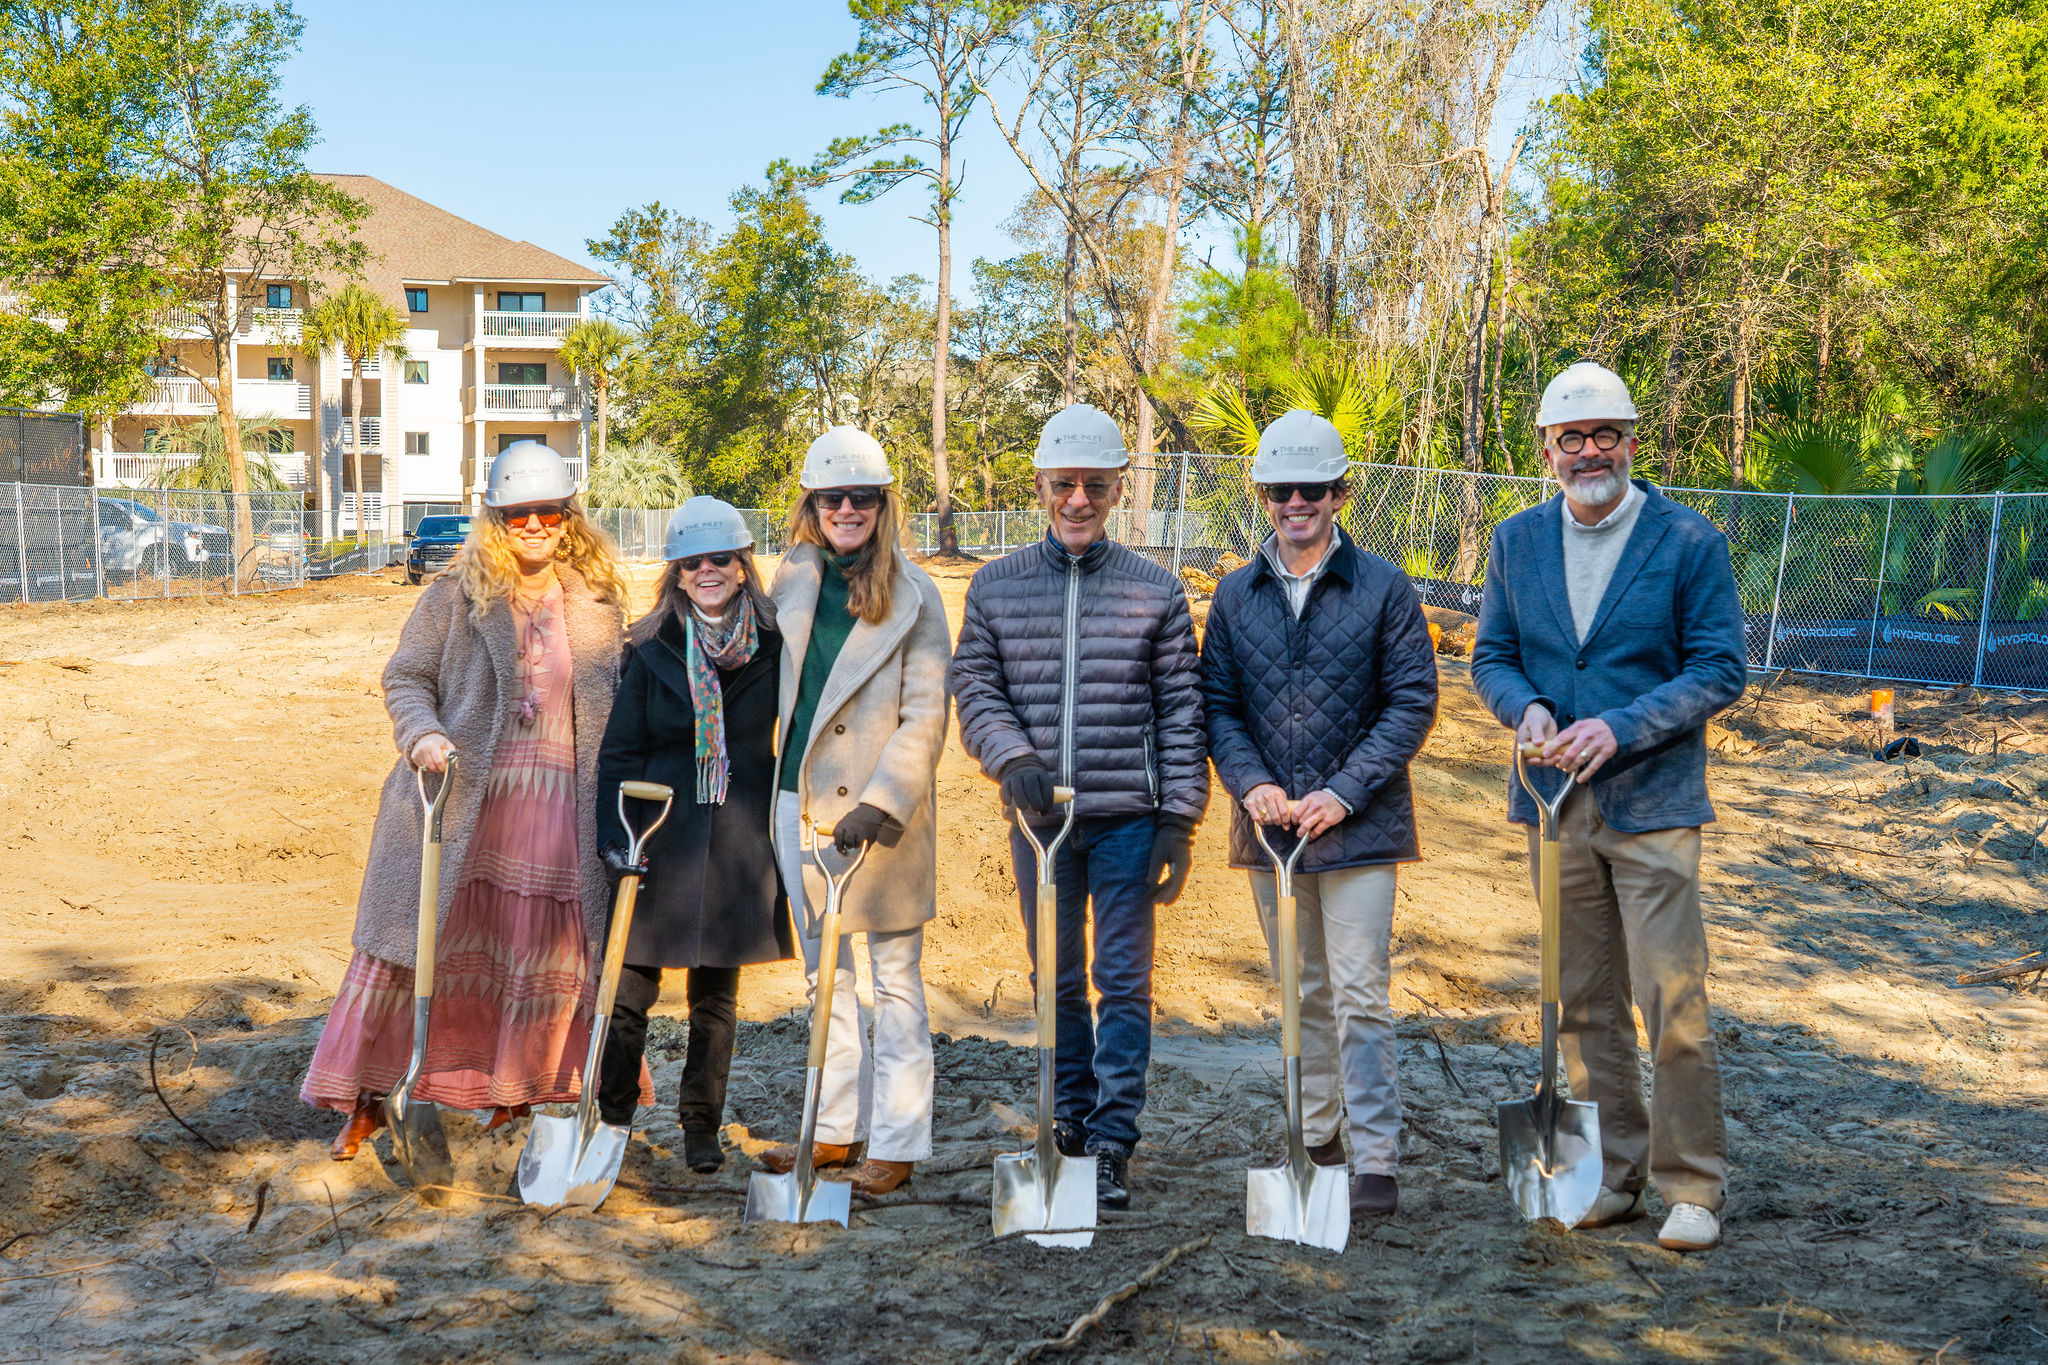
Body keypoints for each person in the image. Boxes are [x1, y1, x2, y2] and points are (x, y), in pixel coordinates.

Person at [1469, 361, 1748, 1252]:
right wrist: (1529, 709)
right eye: (1570, 438)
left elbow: (1718, 668)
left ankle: (1691, 1185)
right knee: (1582, 1000)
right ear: (1547, 450)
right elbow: (1492, 656)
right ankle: (1613, 1176)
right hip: (1553, 802)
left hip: (1652, 800)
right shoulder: (1515, 542)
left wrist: (1619, 728)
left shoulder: (1687, 541)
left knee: (1673, 998)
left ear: (1632, 441)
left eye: (1605, 435)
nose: (1589, 451)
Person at [303, 441, 649, 1156]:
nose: (534, 525)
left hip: (561, 809)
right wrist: (422, 735)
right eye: (518, 512)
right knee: (414, 949)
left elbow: (623, 697)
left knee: (537, 950)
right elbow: (406, 677)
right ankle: (372, 1096)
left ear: (567, 515)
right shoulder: (454, 596)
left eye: (547, 511)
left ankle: (517, 1093)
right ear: (495, 517)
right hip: (461, 802)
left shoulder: (596, 600)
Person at [949, 402, 1207, 1212]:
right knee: (1055, 975)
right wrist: (1011, 756)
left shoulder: (1156, 591)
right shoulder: (995, 587)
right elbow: (976, 687)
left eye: (1095, 485)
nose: (1078, 500)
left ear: (1116, 489)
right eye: (1064, 484)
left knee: (1123, 979)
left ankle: (1114, 1137)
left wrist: (1179, 818)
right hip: (1041, 825)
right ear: (1040, 485)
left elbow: (1180, 710)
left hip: (1129, 817)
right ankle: (1065, 1120)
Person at [1198, 409, 1439, 1219]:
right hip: (1272, 831)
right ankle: (1316, 1137)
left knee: (1361, 990)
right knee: (1300, 989)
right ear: (1263, 494)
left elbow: (1411, 702)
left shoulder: (1383, 588)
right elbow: (1218, 707)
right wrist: (1251, 784)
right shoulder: (1236, 596)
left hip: (1361, 829)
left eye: (1312, 488)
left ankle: (1374, 1156)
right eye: (1280, 489)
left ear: (1340, 492)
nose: (1296, 501)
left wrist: (1345, 791)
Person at [759, 427, 952, 1197]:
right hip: (797, 802)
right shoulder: (794, 579)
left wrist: (883, 801)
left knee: (896, 980)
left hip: (880, 819)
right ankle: (833, 1130)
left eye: (861, 498)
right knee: (822, 978)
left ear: (882, 504)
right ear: (811, 504)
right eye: (831, 497)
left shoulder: (916, 594)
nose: (846, 509)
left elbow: (926, 714)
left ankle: (899, 1138)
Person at [591, 498, 793, 1174]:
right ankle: (612, 1117)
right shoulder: (649, 649)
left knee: (716, 1001)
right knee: (627, 993)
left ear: (742, 568)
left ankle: (700, 1125)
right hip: (659, 838)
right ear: (677, 574)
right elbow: (620, 752)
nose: (708, 570)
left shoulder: (775, 644)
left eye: (721, 559)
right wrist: (613, 841)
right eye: (693, 562)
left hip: (738, 843)